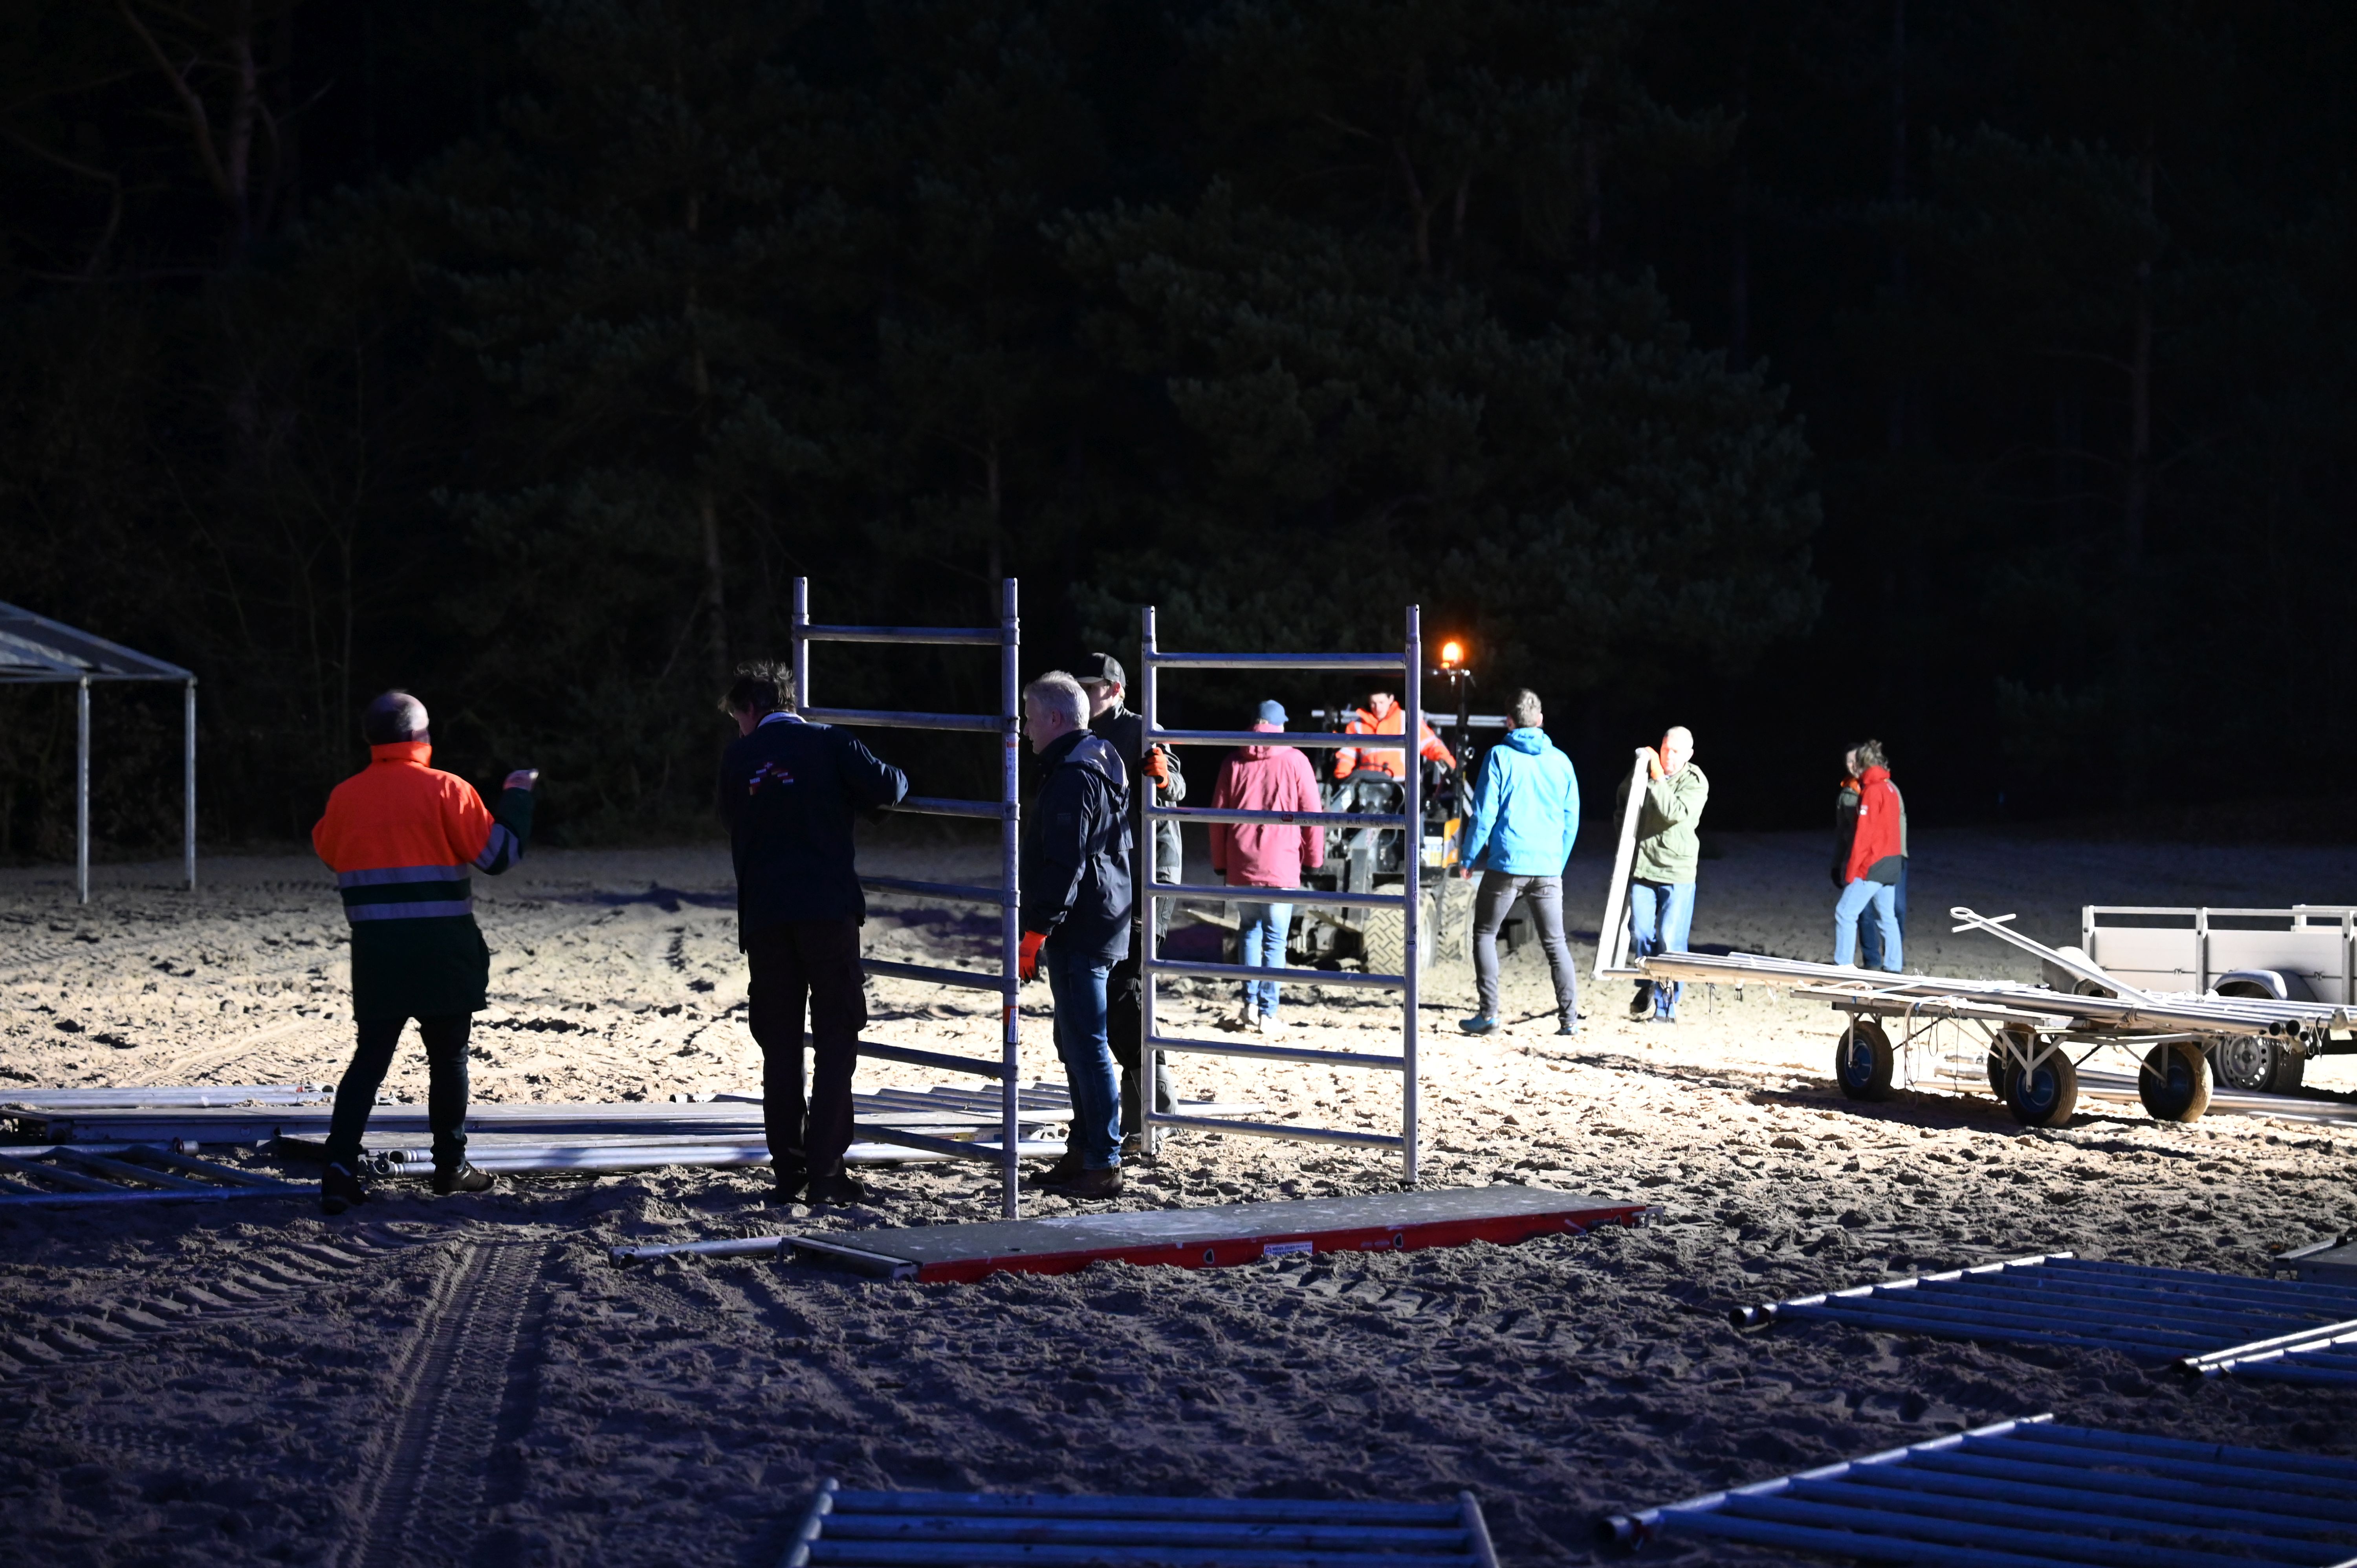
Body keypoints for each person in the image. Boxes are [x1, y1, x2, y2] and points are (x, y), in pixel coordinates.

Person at [310, 691, 538, 1214]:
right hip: (444, 952)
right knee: (448, 1058)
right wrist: (518, 797)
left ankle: (339, 1167)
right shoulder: (448, 789)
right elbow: (499, 855)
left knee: (369, 1061)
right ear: (419, 736)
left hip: (378, 954)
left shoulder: (345, 797)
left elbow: (328, 850)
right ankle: (450, 1167)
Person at [717, 662, 908, 1206]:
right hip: (827, 910)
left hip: (765, 916)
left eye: (737, 717)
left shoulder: (737, 758)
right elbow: (890, 786)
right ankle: (826, 1168)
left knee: (779, 1045)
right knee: (835, 1036)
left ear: (751, 709)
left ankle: (789, 1167)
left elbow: (730, 817)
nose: (738, 727)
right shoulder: (830, 742)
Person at [1017, 670, 1135, 1200]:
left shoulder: (1073, 775)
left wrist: (1037, 929)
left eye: (1030, 718)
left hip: (1083, 923)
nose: (1025, 729)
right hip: (1092, 918)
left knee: (1086, 1043)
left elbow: (1067, 861)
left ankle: (1103, 1160)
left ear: (1054, 718)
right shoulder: (1093, 762)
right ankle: (1085, 1148)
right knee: (1076, 1041)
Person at [1078, 652, 1184, 1140]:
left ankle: (1156, 1107)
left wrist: (1162, 775)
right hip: (1108, 877)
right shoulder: (1081, 733)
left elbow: (1177, 785)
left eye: (1092, 686)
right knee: (1116, 990)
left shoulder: (1143, 729)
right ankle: (1143, 1112)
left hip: (1149, 875)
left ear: (1116, 689)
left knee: (1127, 987)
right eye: (1079, 685)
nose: (1084, 694)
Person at [1456, 689, 1581, 1037]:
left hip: (1508, 864)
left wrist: (1468, 857)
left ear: (1509, 721)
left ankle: (1489, 1015)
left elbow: (1484, 814)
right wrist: (1558, 862)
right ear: (1540, 720)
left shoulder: (1499, 756)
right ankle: (1570, 1019)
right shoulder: (1562, 761)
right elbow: (1572, 820)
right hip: (1548, 867)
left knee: (1485, 934)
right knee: (1556, 944)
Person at [1208, 700, 1324, 1037]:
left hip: (1242, 862)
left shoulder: (1233, 762)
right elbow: (1313, 816)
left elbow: (1216, 817)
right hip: (1281, 863)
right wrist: (1314, 861)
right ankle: (1267, 1013)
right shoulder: (1296, 761)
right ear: (1280, 726)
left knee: (1249, 931)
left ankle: (1248, 1006)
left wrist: (1221, 863)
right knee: (1275, 939)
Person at [1615, 725, 1708, 1023]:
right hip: (1644, 868)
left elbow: (1674, 812)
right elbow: (1623, 802)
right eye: (1666, 749)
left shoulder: (1695, 782)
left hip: (1677, 872)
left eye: (1676, 752)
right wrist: (1625, 840)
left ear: (1689, 755)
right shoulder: (1645, 771)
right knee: (1641, 934)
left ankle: (1667, 1008)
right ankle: (1647, 986)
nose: (1669, 756)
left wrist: (1656, 777)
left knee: (1670, 940)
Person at [1832, 738, 1904, 972]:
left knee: (1845, 912)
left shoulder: (1872, 791)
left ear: (1863, 764)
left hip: (1874, 863)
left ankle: (1843, 965)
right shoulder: (1890, 788)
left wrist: (1852, 871)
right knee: (1887, 917)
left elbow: (1864, 835)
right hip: (1892, 862)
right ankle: (1894, 968)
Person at [1331, 688, 1455, 780]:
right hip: (1367, 786)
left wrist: (1445, 759)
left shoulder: (1407, 720)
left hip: (1400, 786)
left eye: (1381, 702)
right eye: (1373, 703)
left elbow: (1430, 744)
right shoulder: (1357, 725)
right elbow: (1347, 755)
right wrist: (1342, 778)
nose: (1377, 708)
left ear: (1391, 699)